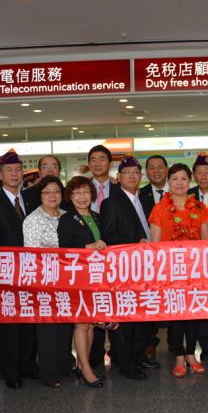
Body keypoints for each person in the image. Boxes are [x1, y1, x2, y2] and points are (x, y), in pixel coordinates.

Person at [0, 148, 38, 390]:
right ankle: (11, 370)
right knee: (11, 325)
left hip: (32, 271)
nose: (14, 174)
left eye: (18, 170)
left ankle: (28, 364)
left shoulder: (31, 200)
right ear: (0, 174)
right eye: (9, 170)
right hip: (7, 273)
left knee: (30, 320)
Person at [149, 163, 208, 378]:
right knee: (176, 315)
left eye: (183, 179)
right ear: (168, 182)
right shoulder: (159, 208)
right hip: (170, 271)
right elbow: (155, 243)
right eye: (174, 179)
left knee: (193, 313)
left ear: (189, 181)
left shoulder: (200, 207)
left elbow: (205, 240)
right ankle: (179, 357)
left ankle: (191, 354)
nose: (179, 183)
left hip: (194, 270)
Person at [100, 155, 156, 380]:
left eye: (136, 173)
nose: (132, 177)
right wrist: (135, 244)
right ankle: (125, 363)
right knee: (124, 321)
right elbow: (109, 237)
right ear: (118, 177)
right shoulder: (111, 203)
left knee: (140, 317)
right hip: (123, 270)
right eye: (127, 173)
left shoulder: (142, 200)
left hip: (144, 269)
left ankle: (137, 356)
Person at [57, 176, 107, 388]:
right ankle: (86, 369)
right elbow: (64, 249)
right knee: (82, 323)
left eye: (85, 192)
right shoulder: (67, 219)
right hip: (77, 276)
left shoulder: (97, 217)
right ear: (70, 196)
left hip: (95, 276)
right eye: (77, 193)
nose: (82, 196)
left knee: (91, 323)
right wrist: (88, 247)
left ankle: (81, 364)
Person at [23, 176, 71, 388]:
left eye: (57, 191)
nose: (52, 195)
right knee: (48, 328)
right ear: (40, 195)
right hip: (45, 281)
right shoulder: (33, 220)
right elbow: (32, 254)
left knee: (65, 326)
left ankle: (65, 365)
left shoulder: (67, 216)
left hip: (68, 281)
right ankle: (48, 372)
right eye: (47, 192)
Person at [86, 144, 119, 366]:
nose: (97, 163)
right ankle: (94, 355)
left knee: (116, 303)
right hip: (90, 256)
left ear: (109, 163)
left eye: (101, 159)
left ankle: (118, 353)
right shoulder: (81, 188)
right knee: (94, 303)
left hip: (115, 256)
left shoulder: (119, 187)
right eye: (93, 159)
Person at [139, 155, 169, 362]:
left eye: (160, 167)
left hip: (175, 258)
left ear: (166, 169)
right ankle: (150, 343)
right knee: (150, 300)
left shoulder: (181, 191)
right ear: (146, 172)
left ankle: (181, 344)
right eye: (151, 168)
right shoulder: (140, 194)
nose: (156, 171)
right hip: (149, 258)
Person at [188, 151, 208, 360]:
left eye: (207, 172)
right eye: (199, 172)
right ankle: (207, 346)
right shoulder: (187, 196)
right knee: (198, 301)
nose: (203, 176)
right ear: (194, 175)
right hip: (194, 260)